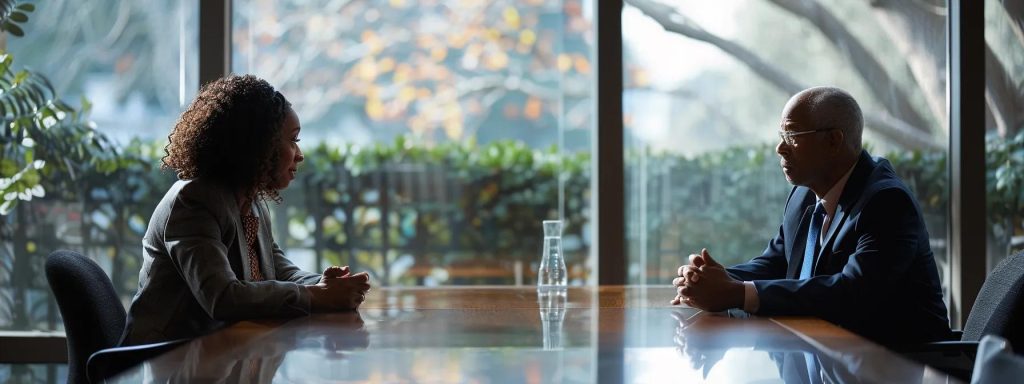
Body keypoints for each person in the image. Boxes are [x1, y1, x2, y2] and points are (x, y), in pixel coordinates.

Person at [671, 86, 950, 345]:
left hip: (898, 361)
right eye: (781, 137)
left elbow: (852, 293)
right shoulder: (804, 193)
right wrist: (708, 280)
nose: (780, 148)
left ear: (833, 140)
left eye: (792, 136)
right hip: (826, 351)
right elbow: (778, 262)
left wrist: (736, 293)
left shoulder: (886, 202)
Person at [120, 75, 371, 346]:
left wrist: (325, 285)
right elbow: (223, 298)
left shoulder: (250, 201)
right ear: (258, 145)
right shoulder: (193, 202)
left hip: (215, 356)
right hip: (160, 364)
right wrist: (316, 295)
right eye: (292, 140)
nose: (299, 154)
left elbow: (278, 270)